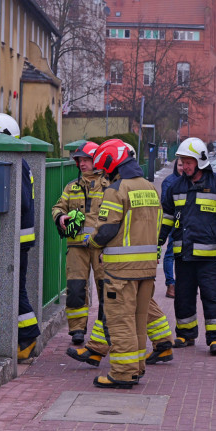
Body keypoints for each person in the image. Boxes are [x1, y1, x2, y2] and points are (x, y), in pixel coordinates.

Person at [82, 139, 161, 388]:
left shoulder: (116, 190)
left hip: (121, 271)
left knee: (120, 322)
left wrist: (92, 243)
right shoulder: (149, 187)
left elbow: (106, 230)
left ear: (112, 164)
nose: (104, 173)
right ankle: (136, 368)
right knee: (139, 321)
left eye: (105, 168)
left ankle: (123, 373)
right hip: (147, 268)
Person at [160, 137, 216, 356]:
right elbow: (167, 217)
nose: (184, 166)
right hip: (183, 255)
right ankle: (186, 334)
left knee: (213, 297)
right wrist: (159, 242)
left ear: (200, 161)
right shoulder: (175, 187)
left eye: (188, 162)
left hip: (208, 257)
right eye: (182, 162)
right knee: (183, 296)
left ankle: (215, 339)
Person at [0, 113, 39, 363]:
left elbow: (21, 201)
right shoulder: (21, 162)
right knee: (16, 289)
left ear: (4, 136)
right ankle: (27, 337)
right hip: (20, 239)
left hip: (18, 240)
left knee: (17, 291)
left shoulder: (18, 164)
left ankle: (28, 337)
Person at [51, 141, 106, 348]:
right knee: (75, 288)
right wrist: (60, 217)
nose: (82, 164)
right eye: (80, 160)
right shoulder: (72, 187)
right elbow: (58, 207)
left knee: (105, 287)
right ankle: (77, 330)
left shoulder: (109, 185)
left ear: (96, 161)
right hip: (76, 247)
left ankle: (104, 328)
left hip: (101, 247)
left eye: (86, 160)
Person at [160, 159, 182, 299]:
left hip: (188, 225)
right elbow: (166, 204)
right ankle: (171, 285)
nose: (182, 168)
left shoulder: (190, 180)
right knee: (170, 254)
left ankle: (183, 284)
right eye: (180, 165)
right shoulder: (169, 181)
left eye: (184, 165)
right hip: (174, 223)